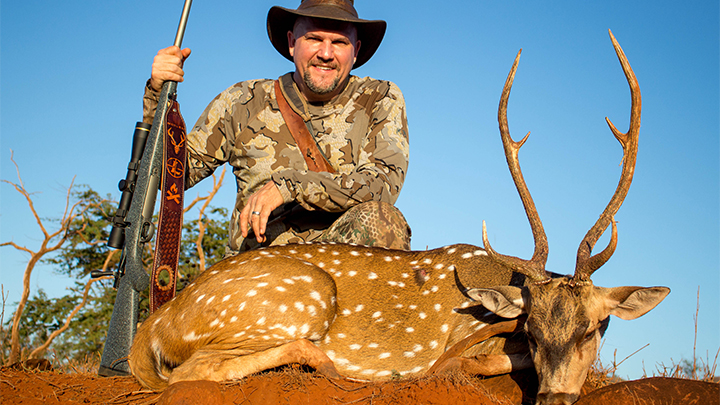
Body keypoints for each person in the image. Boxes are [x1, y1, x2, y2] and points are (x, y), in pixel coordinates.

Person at [143, 0, 411, 256]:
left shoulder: (379, 96)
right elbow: (171, 174)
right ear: (292, 43)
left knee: (383, 220)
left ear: (356, 50)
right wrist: (157, 95)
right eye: (314, 39)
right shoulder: (242, 100)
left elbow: (382, 184)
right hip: (258, 268)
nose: (326, 54)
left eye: (339, 42)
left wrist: (288, 186)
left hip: (342, 264)